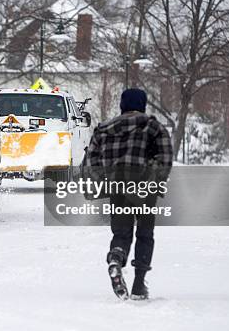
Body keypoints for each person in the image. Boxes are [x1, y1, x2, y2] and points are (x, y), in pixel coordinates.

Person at [88, 88, 173, 300]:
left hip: (117, 186)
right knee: (145, 232)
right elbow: (166, 156)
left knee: (121, 231)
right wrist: (157, 179)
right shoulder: (152, 126)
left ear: (122, 105)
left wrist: (103, 181)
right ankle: (138, 285)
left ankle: (116, 256)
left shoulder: (104, 128)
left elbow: (92, 160)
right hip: (145, 186)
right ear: (143, 104)